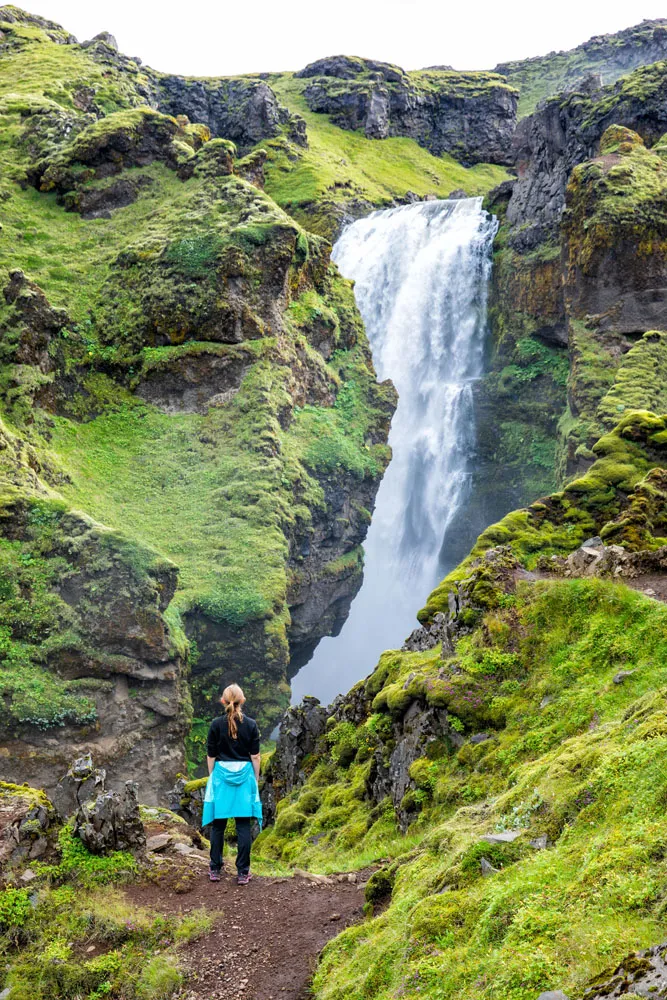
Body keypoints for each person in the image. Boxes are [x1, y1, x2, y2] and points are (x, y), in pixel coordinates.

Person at [202, 683, 262, 885]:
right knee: (243, 825)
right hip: (244, 776)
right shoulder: (251, 725)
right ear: (242, 701)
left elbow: (211, 755)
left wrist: (213, 777)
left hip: (221, 775)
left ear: (223, 701)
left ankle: (215, 869)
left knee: (218, 825)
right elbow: (255, 756)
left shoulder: (215, 724)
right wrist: (255, 778)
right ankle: (243, 873)